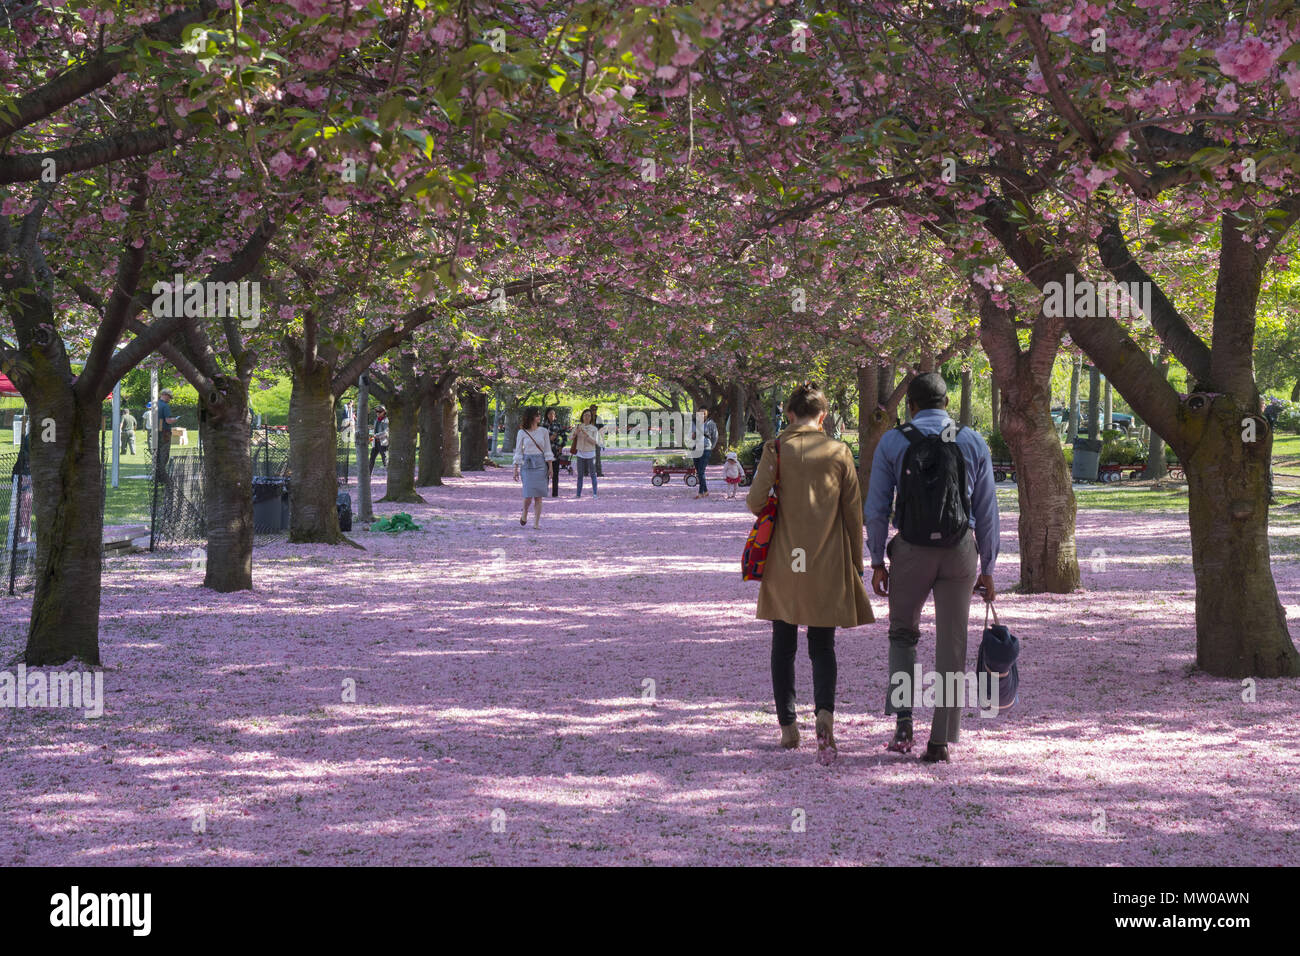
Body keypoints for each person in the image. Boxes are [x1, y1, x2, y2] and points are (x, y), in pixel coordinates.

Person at [864, 372, 1000, 764]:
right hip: (959, 551)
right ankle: (940, 740)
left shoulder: (893, 441)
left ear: (911, 405)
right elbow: (987, 511)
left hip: (910, 551)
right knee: (951, 644)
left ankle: (904, 720)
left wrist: (876, 559)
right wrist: (987, 567)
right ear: (947, 404)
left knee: (903, 634)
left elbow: (876, 509)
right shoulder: (972, 441)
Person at [747, 384, 874, 764]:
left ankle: (788, 727)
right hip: (826, 560)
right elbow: (853, 514)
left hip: (786, 561)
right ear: (823, 417)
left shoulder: (776, 450)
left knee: (782, 645)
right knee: (823, 646)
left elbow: (755, 502)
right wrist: (856, 563)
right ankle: (824, 714)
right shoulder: (838, 452)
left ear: (788, 415)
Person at [513, 409, 554, 527]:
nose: (539, 417)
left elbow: (547, 450)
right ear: (531, 417)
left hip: (541, 465)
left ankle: (536, 523)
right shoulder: (522, 432)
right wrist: (515, 469)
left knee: (539, 496)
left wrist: (550, 467)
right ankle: (525, 512)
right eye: (537, 415)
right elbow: (518, 451)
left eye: (539, 414)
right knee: (528, 495)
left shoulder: (544, 431)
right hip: (527, 464)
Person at [570, 408, 601, 499]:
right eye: (585, 415)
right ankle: (578, 494)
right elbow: (570, 438)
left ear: (591, 418)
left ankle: (595, 493)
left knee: (592, 474)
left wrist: (585, 434)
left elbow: (595, 442)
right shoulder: (578, 426)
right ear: (582, 417)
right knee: (580, 475)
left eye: (588, 415)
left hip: (590, 453)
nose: (586, 417)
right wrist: (576, 432)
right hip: (580, 453)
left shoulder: (594, 429)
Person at [690, 405, 718, 498]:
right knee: (699, 471)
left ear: (707, 414)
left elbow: (715, 437)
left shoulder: (711, 423)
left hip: (706, 449)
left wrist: (710, 447)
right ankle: (705, 491)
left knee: (701, 471)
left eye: (704, 413)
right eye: (700, 413)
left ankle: (700, 493)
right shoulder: (693, 422)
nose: (702, 415)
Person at [544, 408, 568, 498]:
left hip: (555, 451)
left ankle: (555, 493)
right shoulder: (543, 426)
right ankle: (544, 492)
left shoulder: (558, 425)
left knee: (555, 473)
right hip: (545, 451)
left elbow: (564, 437)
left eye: (553, 414)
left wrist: (561, 446)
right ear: (547, 415)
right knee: (545, 473)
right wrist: (549, 439)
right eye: (550, 414)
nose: (552, 416)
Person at [155, 389, 178, 479]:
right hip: (165, 432)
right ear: (165, 395)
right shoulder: (165, 406)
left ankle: (157, 474)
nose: (170, 399)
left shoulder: (154, 404)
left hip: (155, 431)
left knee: (157, 453)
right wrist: (174, 420)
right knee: (164, 454)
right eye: (169, 397)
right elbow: (168, 420)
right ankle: (162, 475)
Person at [369, 407, 389, 473]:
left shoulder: (386, 421)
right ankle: (368, 475)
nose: (377, 413)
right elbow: (375, 430)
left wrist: (375, 436)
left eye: (379, 412)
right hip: (375, 443)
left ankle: (390, 475)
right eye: (376, 412)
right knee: (371, 459)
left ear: (384, 412)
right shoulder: (376, 420)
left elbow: (385, 433)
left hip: (383, 443)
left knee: (385, 460)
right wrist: (370, 434)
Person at [587, 404, 605, 477]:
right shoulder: (587, 418)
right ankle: (587, 471)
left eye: (595, 410)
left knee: (597, 456)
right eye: (592, 410)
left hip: (597, 440)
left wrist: (602, 441)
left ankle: (599, 472)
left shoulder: (599, 419)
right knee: (587, 456)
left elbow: (601, 430)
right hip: (588, 440)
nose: (594, 411)